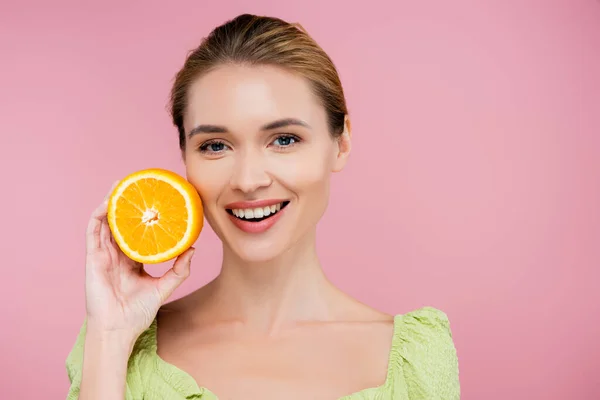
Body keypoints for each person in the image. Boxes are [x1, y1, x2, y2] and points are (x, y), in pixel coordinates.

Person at [65, 13, 460, 400]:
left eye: (284, 139)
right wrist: (111, 337)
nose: (248, 180)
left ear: (341, 143)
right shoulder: (116, 343)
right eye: (215, 146)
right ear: (185, 157)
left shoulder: (415, 361)